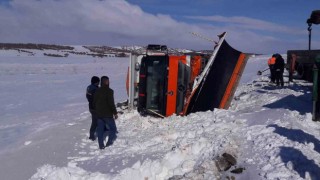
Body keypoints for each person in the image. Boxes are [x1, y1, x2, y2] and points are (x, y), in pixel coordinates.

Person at [94, 76, 118, 149]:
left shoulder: (97, 91)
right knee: (113, 128)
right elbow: (111, 103)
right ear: (105, 81)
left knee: (100, 130)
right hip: (107, 114)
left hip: (99, 114)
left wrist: (97, 110)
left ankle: (101, 145)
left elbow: (94, 102)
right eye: (107, 81)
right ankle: (109, 143)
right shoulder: (110, 91)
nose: (108, 82)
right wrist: (115, 113)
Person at [86, 76, 100, 141]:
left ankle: (104, 128)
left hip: (91, 107)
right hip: (95, 108)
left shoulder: (89, 87)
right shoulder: (95, 89)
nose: (99, 83)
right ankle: (91, 136)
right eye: (98, 82)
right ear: (95, 82)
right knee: (94, 122)